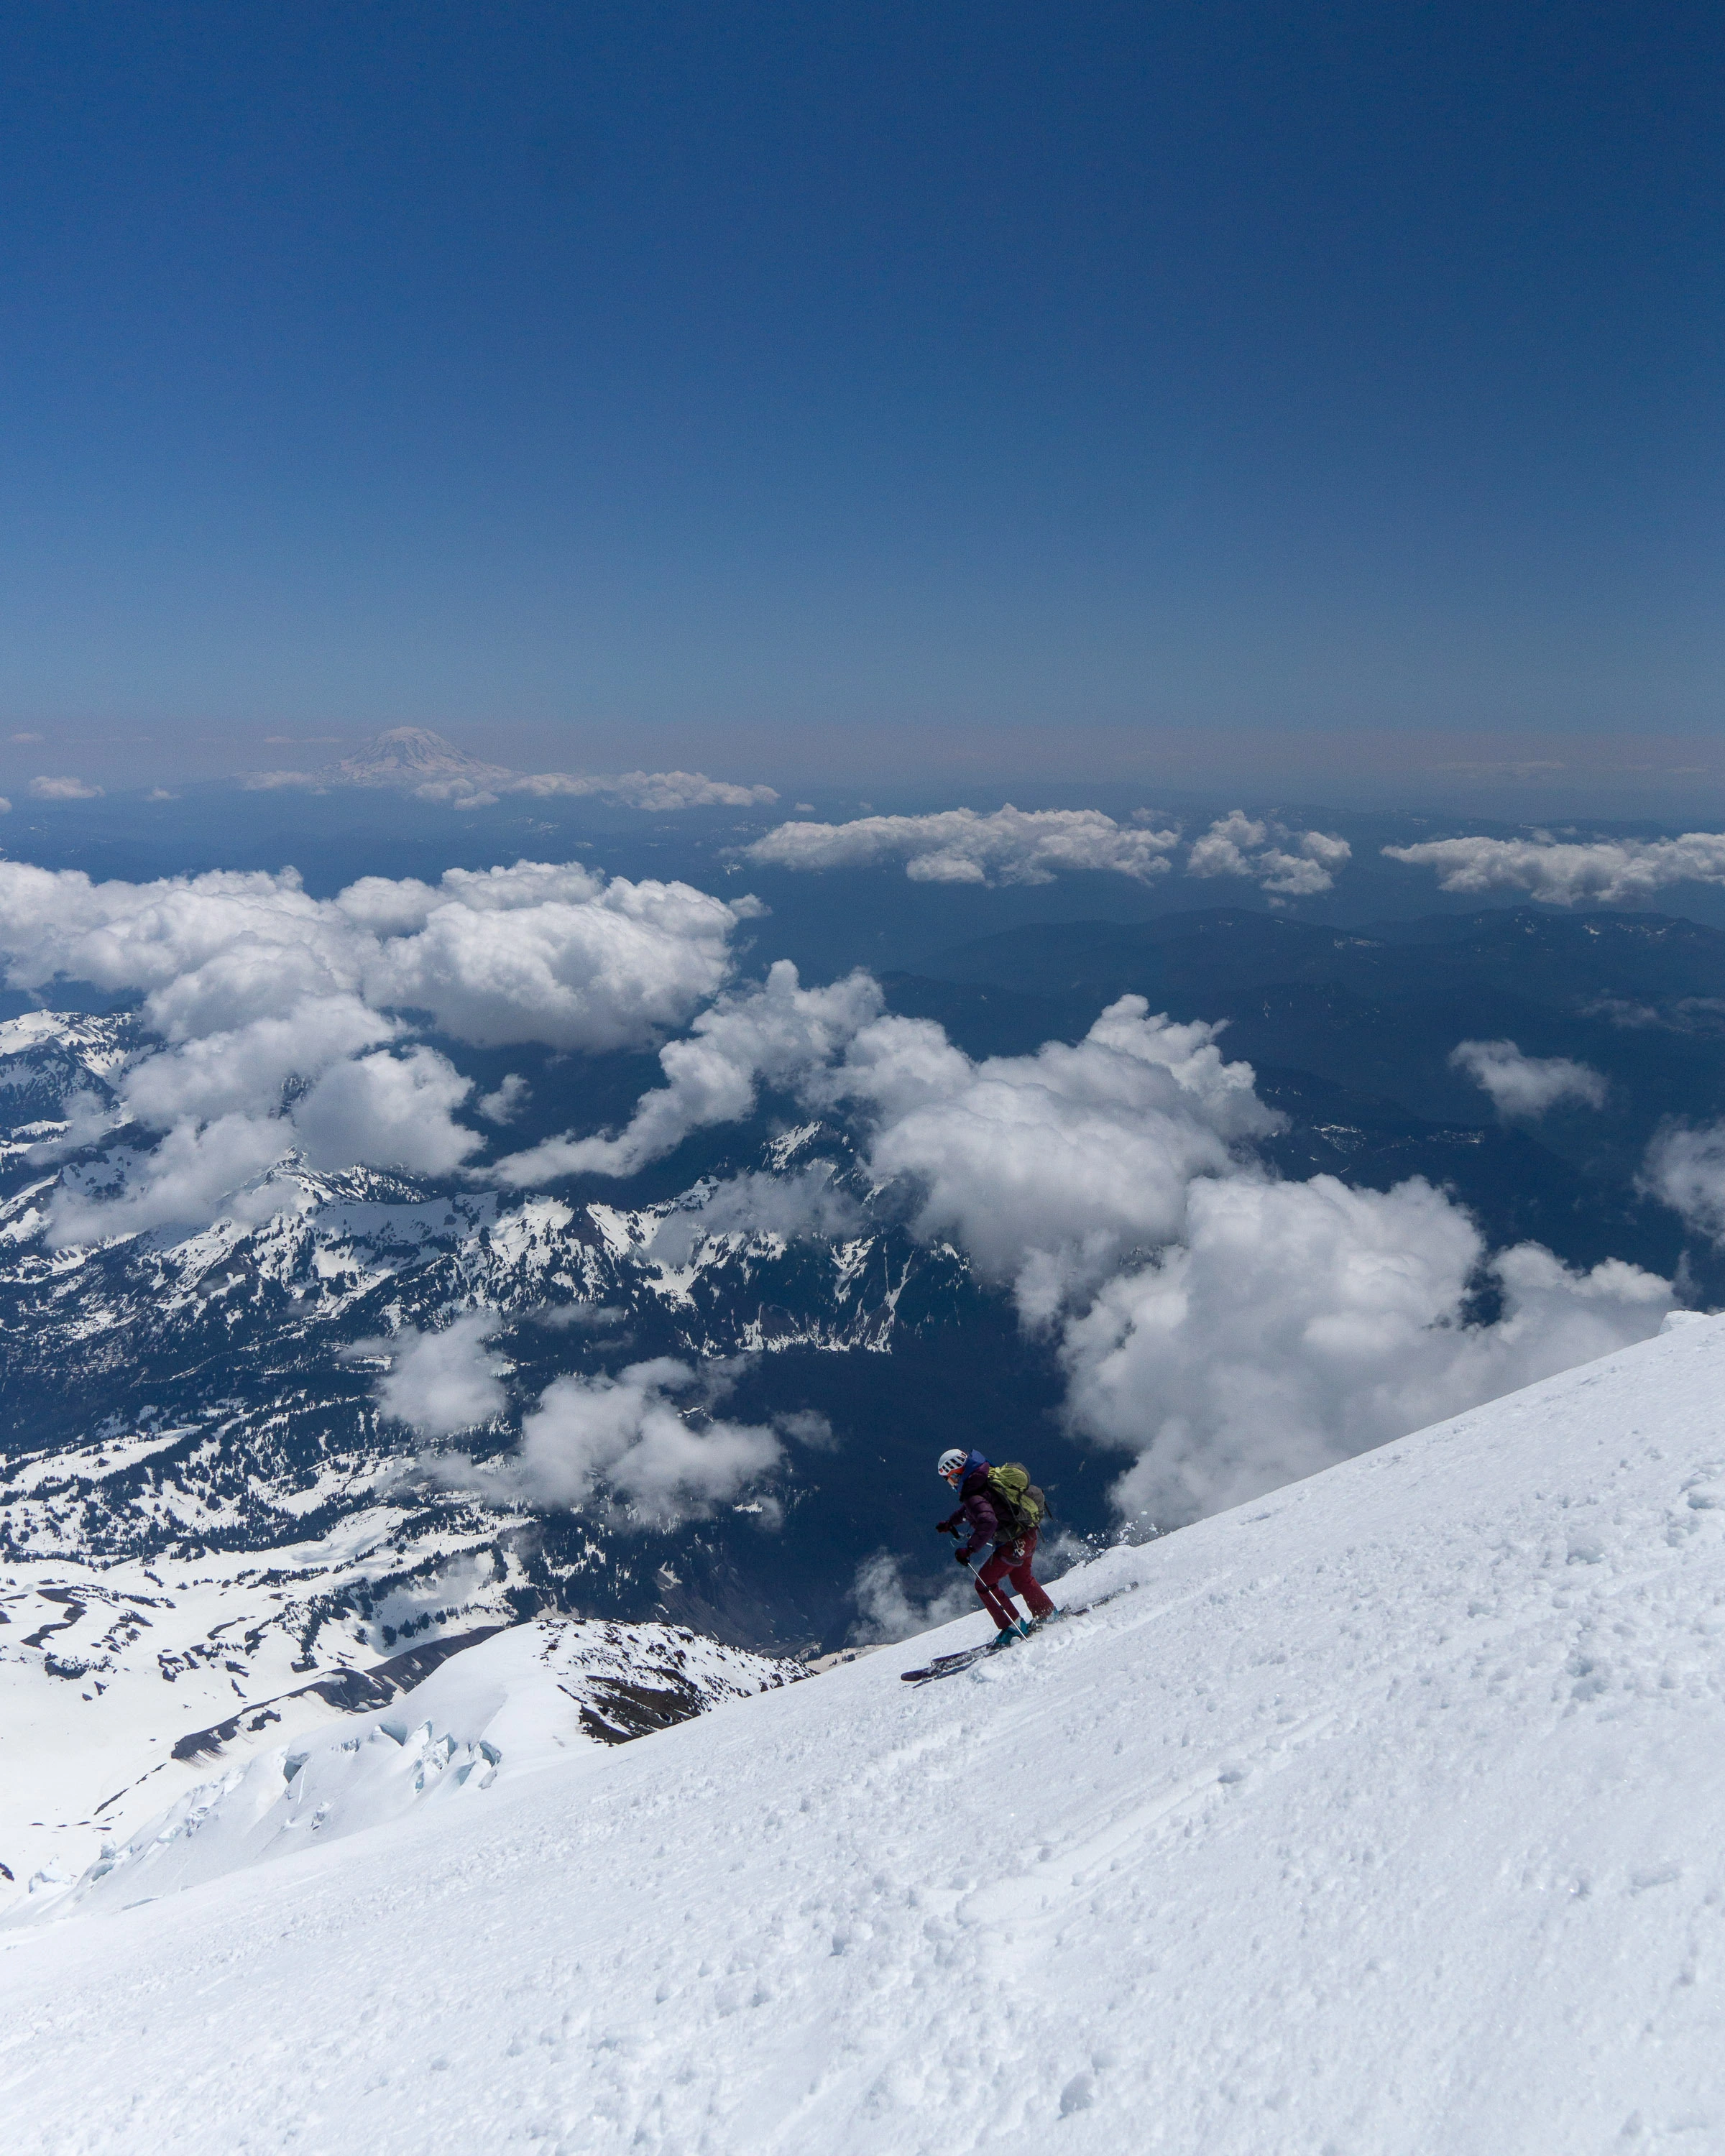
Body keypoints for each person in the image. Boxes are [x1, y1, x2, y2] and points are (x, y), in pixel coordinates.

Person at [935, 1445, 1056, 1645]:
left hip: (1013, 1543)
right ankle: (1048, 1614)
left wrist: (970, 1549)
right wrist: (950, 1523)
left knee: (984, 1584)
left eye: (947, 1477)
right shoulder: (983, 1477)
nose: (948, 1482)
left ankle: (1013, 1628)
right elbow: (974, 1509)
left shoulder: (973, 1493)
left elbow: (987, 1520)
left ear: (955, 1472)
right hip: (1028, 1534)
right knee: (1022, 1580)